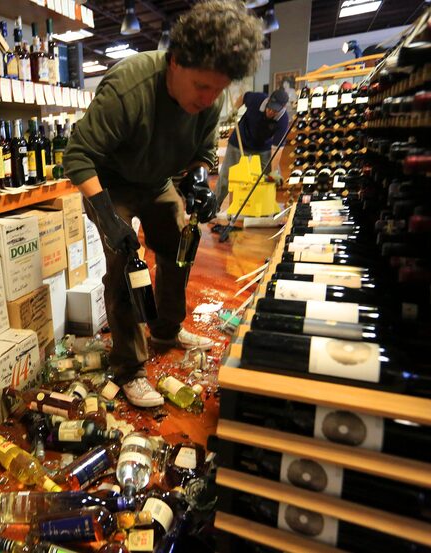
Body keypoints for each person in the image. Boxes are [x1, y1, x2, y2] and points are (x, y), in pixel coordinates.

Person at [63, 0, 261, 407]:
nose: (208, 99)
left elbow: (204, 150)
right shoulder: (129, 88)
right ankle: (130, 367)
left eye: (218, 89)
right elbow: (77, 156)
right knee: (124, 266)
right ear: (175, 62)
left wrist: (196, 182)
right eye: (202, 87)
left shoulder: (212, 101)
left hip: (157, 181)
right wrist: (106, 216)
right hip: (111, 185)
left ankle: (167, 329)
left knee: (181, 243)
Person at [215, 88, 290, 208]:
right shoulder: (257, 99)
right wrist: (234, 109)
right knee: (226, 176)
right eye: (269, 107)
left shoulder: (283, 120)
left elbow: (277, 150)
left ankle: (267, 206)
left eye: (274, 110)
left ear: (283, 107)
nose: (270, 112)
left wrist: (273, 171)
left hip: (263, 147)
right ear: (268, 100)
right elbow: (243, 96)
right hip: (240, 141)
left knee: (272, 178)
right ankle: (213, 207)